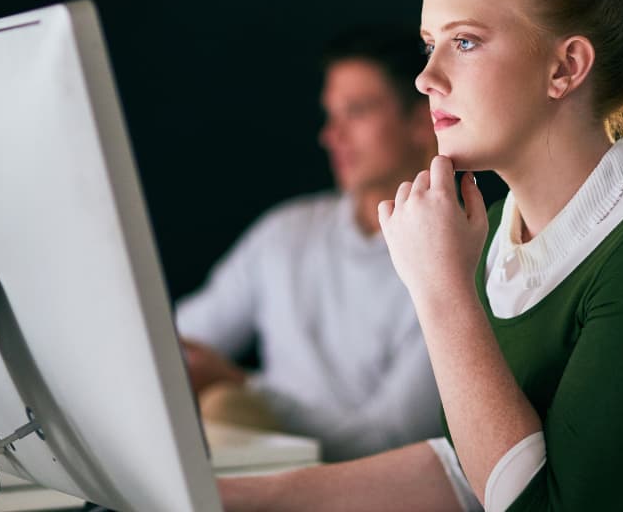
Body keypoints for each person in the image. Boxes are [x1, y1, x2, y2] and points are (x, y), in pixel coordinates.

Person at [219, 0, 623, 509]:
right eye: (428, 45)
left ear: (564, 67)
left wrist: (441, 290)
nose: (425, 78)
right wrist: (231, 497)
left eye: (463, 42)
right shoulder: (493, 231)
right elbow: (474, 470)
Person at [175, 26, 444, 462]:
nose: (331, 136)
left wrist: (246, 392)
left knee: (225, 408)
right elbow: (181, 338)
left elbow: (396, 438)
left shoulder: (457, 262)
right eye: (331, 115)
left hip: (369, 492)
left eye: (355, 112)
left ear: (420, 121)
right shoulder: (284, 235)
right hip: (261, 474)